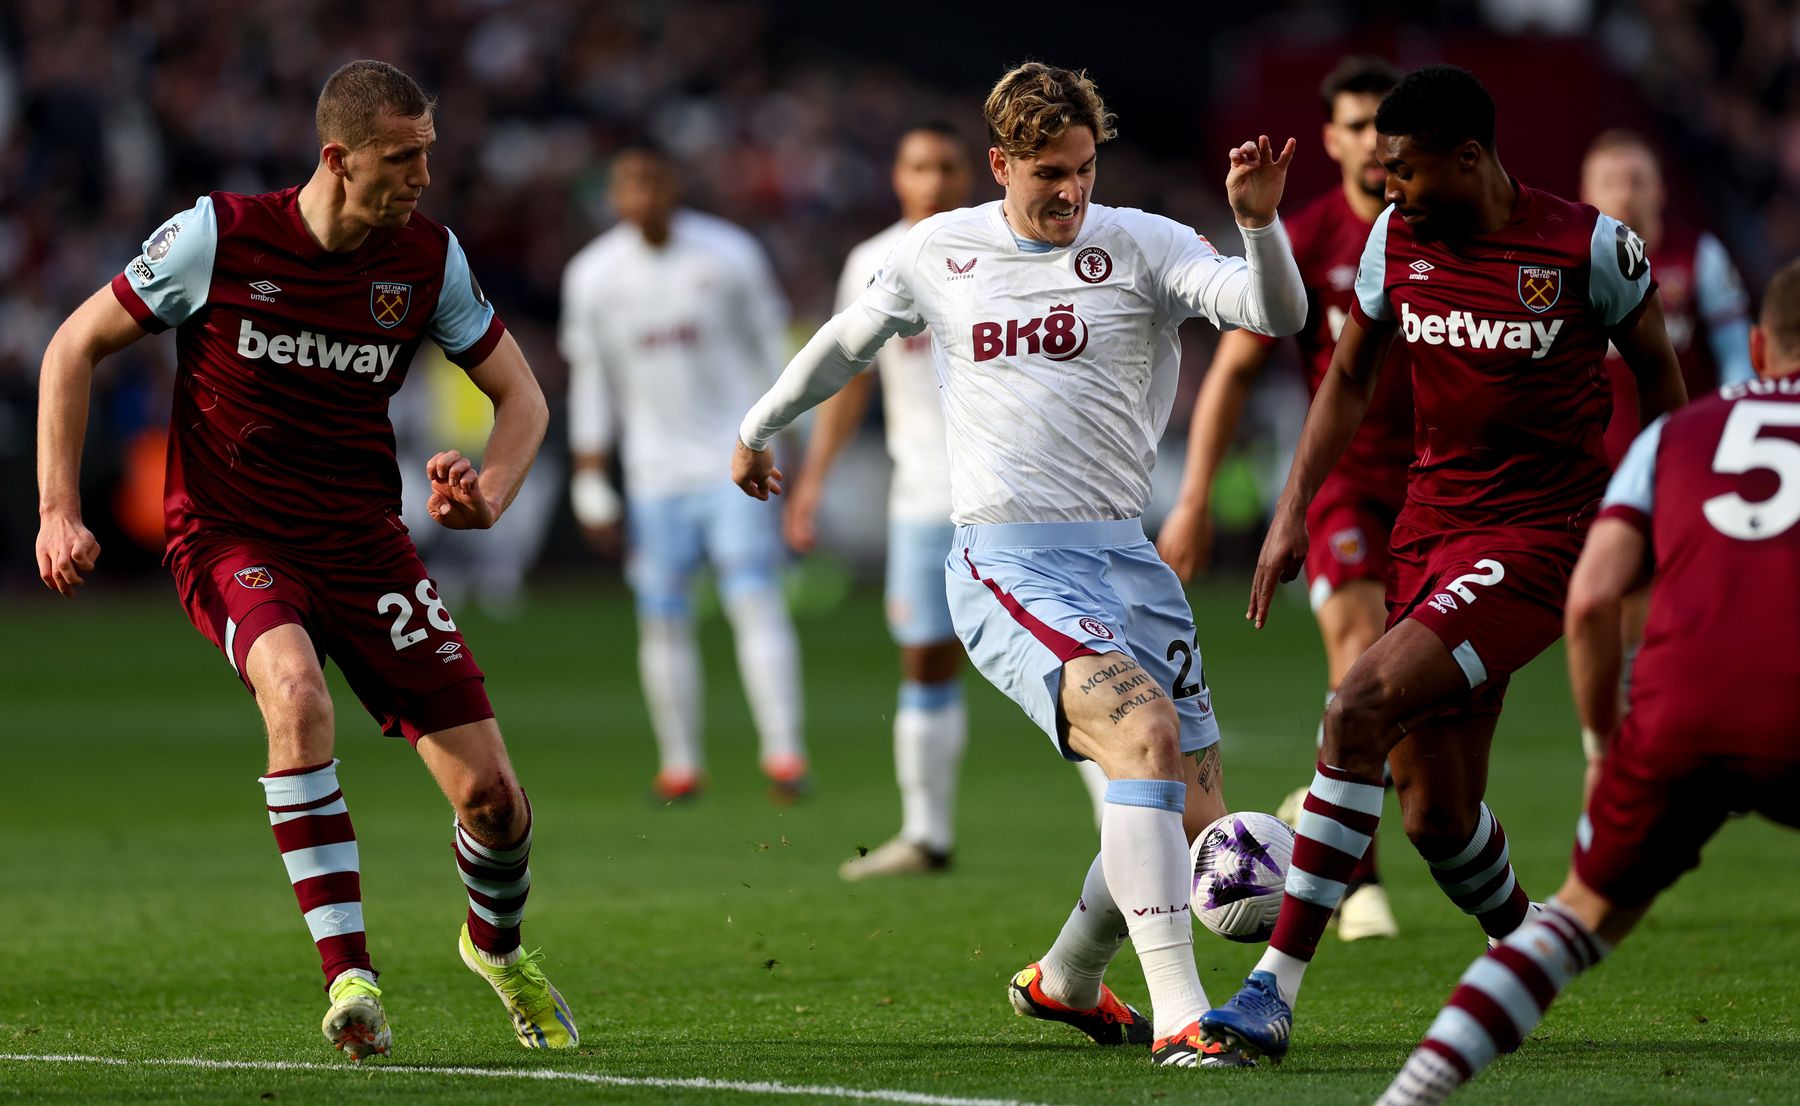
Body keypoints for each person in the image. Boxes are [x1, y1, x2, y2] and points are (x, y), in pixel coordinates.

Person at [733, 61, 1307, 1067]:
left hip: (1128, 559)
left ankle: (1067, 976)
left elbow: (1277, 314)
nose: (1072, 192)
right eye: (1049, 172)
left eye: (1085, 169)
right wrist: (759, 425)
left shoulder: (1144, 245)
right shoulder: (939, 252)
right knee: (1142, 731)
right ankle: (1185, 1019)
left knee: (1193, 813)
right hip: (1009, 559)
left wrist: (1259, 225)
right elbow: (847, 342)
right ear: (999, 164)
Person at [34, 60, 575, 1059]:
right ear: (339, 158)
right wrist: (58, 509)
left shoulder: (426, 258)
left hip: (366, 543)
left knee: (493, 802)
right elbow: (73, 345)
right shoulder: (220, 236)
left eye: (429, 155)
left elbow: (526, 399)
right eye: (402, 159)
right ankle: (351, 978)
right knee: (295, 692)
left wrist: (489, 491)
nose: (422, 176)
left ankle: (497, 946)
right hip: (233, 533)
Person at [1201, 64, 1686, 1065]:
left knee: (1357, 704)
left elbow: (1667, 390)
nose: (1393, 193)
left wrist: (1677, 529)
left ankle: (1269, 992)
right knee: (1437, 816)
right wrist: (1292, 508)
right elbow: (1345, 377)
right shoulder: (1395, 241)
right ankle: (1533, 942)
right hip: (1426, 530)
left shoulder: (1590, 250)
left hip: (1541, 541)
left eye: (1408, 174)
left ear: (1469, 158)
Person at [1375, 258, 1800, 1106]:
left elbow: (1596, 593)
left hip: (1679, 711)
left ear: (1757, 347)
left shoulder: (1675, 436)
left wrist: (1605, 741)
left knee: (1574, 923)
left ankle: (1410, 1095)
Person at [1159, 55, 1407, 942]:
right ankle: (1359, 878)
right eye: (1356, 123)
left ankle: (1323, 801)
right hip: (1346, 486)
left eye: (1388, 120)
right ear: (1330, 138)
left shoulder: (1449, 233)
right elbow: (1230, 372)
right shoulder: (1303, 238)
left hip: (1452, 491)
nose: (1374, 140)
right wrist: (1192, 499)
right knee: (1360, 647)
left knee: (1430, 704)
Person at [561, 142, 807, 803]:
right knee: (662, 616)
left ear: (675, 186)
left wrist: (782, 439)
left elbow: (772, 353)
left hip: (734, 462)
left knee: (753, 597)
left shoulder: (728, 255)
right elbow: (592, 380)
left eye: (652, 181)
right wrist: (590, 475)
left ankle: (784, 755)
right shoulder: (592, 275)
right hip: (652, 476)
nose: (641, 195)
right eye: (628, 184)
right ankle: (680, 765)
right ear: (613, 196)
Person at [783, 123, 978, 877]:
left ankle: (1116, 829)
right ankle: (927, 835)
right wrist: (812, 480)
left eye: (947, 166)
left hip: (1008, 497)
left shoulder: (999, 246)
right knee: (925, 660)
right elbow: (847, 373)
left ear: (976, 173)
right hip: (921, 499)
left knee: (1065, 664)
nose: (933, 180)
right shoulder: (873, 261)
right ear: (898, 176)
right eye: (919, 166)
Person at [1575, 129, 1756, 800]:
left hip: (1681, 469)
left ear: (1661, 189)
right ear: (1587, 194)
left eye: (1637, 177)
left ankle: (1653, 744)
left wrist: (1728, 442)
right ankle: (1644, 743)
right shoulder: (1572, 262)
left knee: (1674, 610)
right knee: (1621, 611)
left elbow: (1738, 360)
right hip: (1589, 472)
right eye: (1611, 178)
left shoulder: (1696, 258)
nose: (1625, 189)